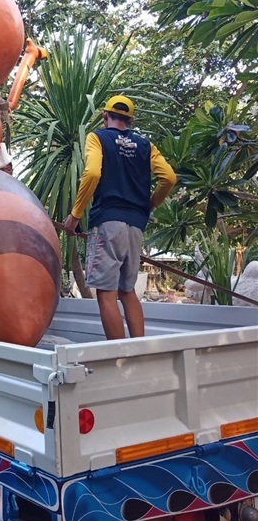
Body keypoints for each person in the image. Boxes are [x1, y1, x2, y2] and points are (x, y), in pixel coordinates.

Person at [62, 96, 176, 340]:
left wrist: (75, 214)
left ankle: (120, 358)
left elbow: (92, 173)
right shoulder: (146, 145)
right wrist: (150, 205)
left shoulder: (98, 138)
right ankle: (138, 351)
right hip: (136, 224)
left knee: (106, 292)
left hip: (107, 221)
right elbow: (169, 178)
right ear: (130, 120)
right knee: (127, 291)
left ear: (105, 116)